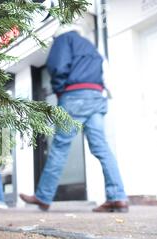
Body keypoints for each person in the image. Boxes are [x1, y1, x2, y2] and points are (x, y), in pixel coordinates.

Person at [20, 24, 129, 213]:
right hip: (96, 97)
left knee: (60, 147)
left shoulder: (63, 39)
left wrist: (61, 92)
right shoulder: (90, 46)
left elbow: (57, 66)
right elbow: (104, 72)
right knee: (102, 148)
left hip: (74, 97)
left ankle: (44, 197)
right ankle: (118, 197)